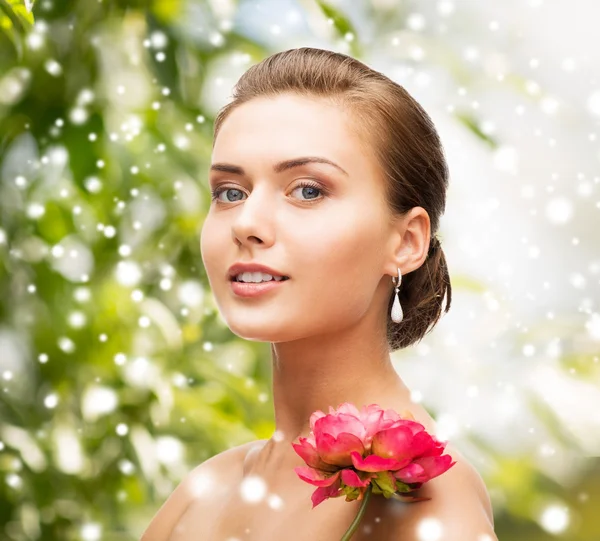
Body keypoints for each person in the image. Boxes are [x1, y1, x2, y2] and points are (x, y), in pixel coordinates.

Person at [140, 46, 498, 541]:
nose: (246, 223)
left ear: (406, 241)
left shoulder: (423, 497)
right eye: (230, 192)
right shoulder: (205, 490)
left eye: (307, 190)